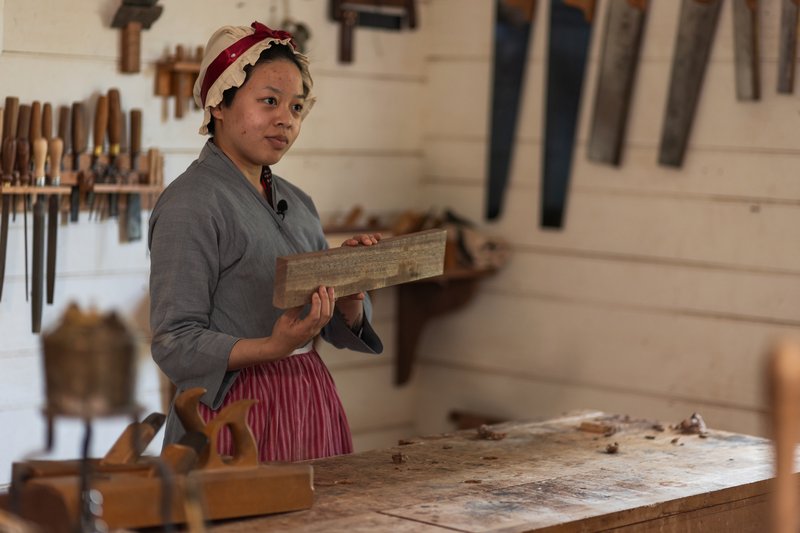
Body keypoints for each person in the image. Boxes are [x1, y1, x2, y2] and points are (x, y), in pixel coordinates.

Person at [148, 21, 383, 462]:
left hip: (308, 396)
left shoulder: (298, 203)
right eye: (269, 101)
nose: (285, 120)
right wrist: (270, 348)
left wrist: (349, 294)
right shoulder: (190, 203)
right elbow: (173, 341)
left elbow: (328, 326)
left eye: (296, 108)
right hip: (231, 414)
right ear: (219, 103)